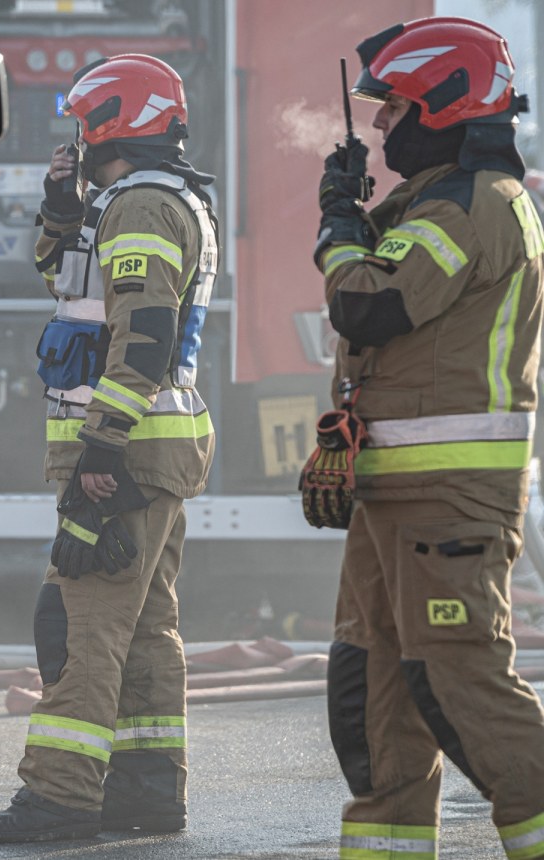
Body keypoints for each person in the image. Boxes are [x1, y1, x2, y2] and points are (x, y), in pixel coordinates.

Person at [312, 16, 544, 858]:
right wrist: (356, 213)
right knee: (373, 687)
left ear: (442, 108)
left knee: (457, 680)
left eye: (394, 108)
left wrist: (338, 225)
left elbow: (371, 303)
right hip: (397, 489)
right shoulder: (429, 202)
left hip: (446, 494)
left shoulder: (473, 203)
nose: (379, 126)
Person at [0, 53, 217, 843]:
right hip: (152, 449)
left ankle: (61, 796)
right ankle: (146, 791)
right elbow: (65, 277)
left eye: (83, 123)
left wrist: (102, 450)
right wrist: (57, 207)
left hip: (128, 454)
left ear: (108, 121)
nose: (75, 138)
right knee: (141, 628)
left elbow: (143, 337)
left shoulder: (143, 207)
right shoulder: (125, 203)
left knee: (79, 625)